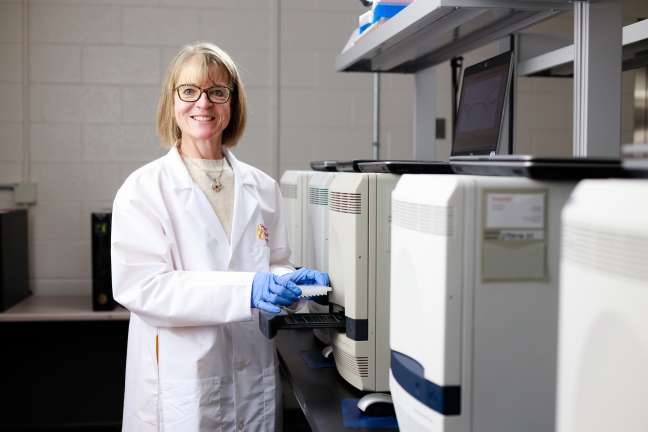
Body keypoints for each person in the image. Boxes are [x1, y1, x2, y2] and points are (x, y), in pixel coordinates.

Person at [111, 41, 328, 432]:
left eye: (217, 91)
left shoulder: (261, 187)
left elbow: (272, 259)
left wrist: (287, 280)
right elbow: (143, 288)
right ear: (172, 102)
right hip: (182, 383)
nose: (203, 104)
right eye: (189, 91)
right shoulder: (144, 189)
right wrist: (247, 289)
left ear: (233, 103)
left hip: (252, 376)